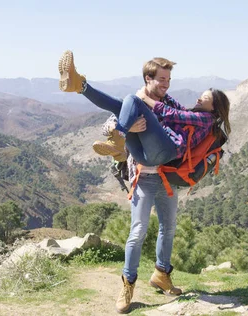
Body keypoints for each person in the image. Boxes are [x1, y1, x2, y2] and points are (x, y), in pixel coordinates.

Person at [58, 50, 231, 313]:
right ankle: (80, 86)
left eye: (168, 80)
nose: (166, 84)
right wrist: (123, 123)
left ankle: (162, 274)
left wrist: (140, 107)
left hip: (165, 165)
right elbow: (120, 112)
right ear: (148, 79)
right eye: (162, 79)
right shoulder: (161, 101)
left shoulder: (198, 116)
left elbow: (166, 111)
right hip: (144, 169)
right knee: (137, 232)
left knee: (168, 229)